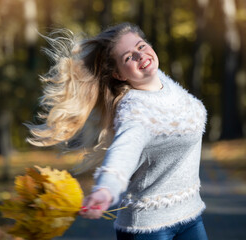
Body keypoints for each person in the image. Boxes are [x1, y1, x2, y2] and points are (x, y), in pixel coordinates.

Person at [26, 22, 208, 240]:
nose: (140, 56)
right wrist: (106, 189)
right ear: (119, 74)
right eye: (128, 57)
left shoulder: (164, 83)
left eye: (141, 47)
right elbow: (123, 152)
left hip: (190, 215)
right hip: (149, 229)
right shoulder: (135, 110)